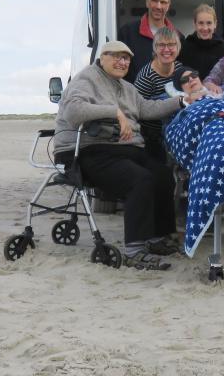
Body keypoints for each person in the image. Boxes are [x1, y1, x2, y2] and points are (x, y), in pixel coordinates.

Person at [53, 41, 193, 270]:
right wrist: (115, 112)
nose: (122, 62)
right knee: (140, 180)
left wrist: (181, 101)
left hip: (124, 148)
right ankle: (134, 251)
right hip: (88, 150)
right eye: (116, 56)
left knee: (162, 175)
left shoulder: (126, 87)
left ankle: (156, 238)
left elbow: (147, 108)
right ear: (102, 58)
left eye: (126, 58)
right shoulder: (86, 79)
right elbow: (73, 112)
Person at [133, 27, 184, 162]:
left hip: (177, 130)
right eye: (161, 45)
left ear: (178, 48)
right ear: (155, 48)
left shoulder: (180, 69)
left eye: (171, 44)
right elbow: (136, 109)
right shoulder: (146, 76)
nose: (166, 49)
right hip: (152, 137)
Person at [118, 0, 184, 83]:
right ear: (147, 2)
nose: (158, 6)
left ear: (168, 6)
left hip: (167, 92)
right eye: (155, 1)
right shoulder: (127, 31)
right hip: (134, 91)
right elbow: (119, 67)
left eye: (163, 2)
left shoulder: (179, 37)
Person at [177, 4, 224, 80]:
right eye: (201, 23)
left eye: (209, 23)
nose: (205, 28)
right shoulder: (185, 46)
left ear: (215, 24)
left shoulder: (222, 48)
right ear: (195, 24)